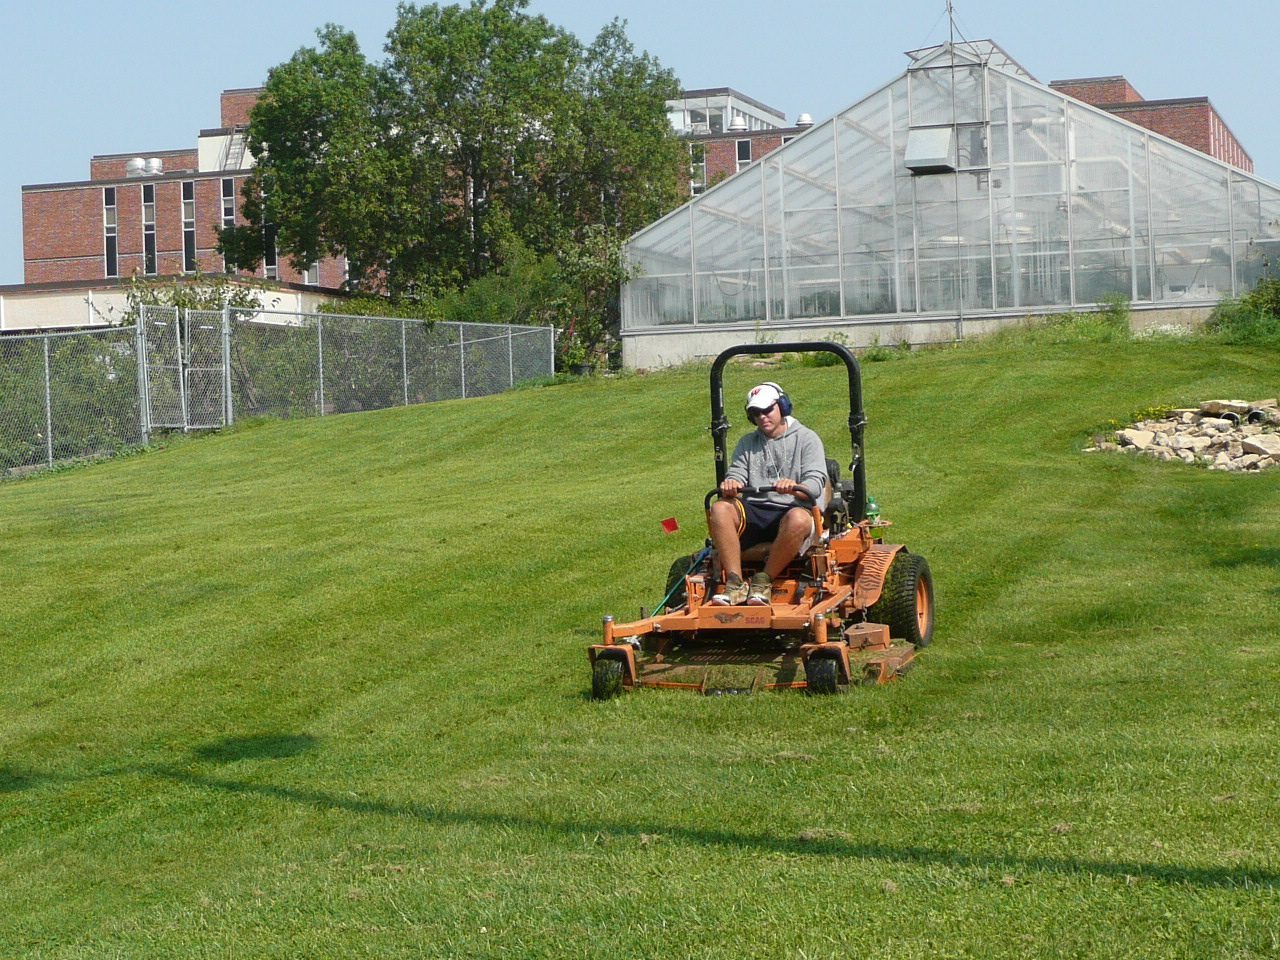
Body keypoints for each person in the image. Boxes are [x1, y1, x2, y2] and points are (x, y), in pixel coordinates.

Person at [709, 382, 828, 606]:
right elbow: (736, 473)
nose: (762, 417)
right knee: (720, 507)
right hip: (755, 509)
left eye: (767, 410)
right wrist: (732, 482)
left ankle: (763, 581)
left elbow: (815, 482)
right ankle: (734, 583)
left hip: (793, 510)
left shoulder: (807, 439)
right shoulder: (747, 443)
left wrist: (795, 487)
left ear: (782, 407)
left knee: (799, 518)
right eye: (756, 413)